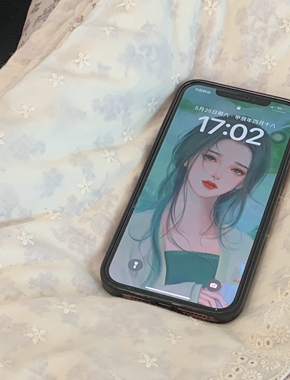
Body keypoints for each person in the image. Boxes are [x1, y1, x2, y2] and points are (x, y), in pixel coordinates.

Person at [109, 123, 272, 308]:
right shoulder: (135, 226)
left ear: (242, 183)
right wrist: (189, 294)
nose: (217, 174)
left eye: (237, 171)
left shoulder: (242, 246)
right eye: (210, 158)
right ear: (189, 156)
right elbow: (121, 296)